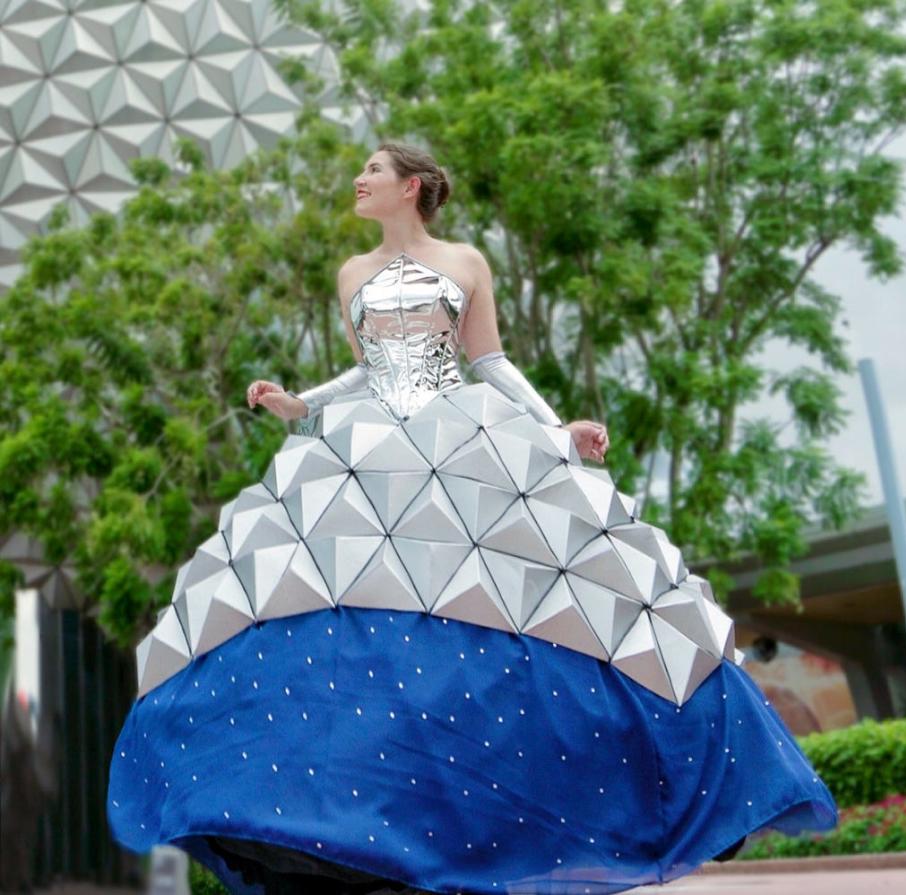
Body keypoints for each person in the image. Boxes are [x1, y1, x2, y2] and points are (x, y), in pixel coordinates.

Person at [107, 143, 837, 895]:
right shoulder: (351, 273)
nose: (358, 181)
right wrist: (301, 405)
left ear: (411, 187)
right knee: (306, 587)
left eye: (373, 171)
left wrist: (559, 430)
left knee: (557, 587)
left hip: (464, 432)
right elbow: (364, 368)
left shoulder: (465, 262)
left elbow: (489, 360)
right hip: (369, 442)